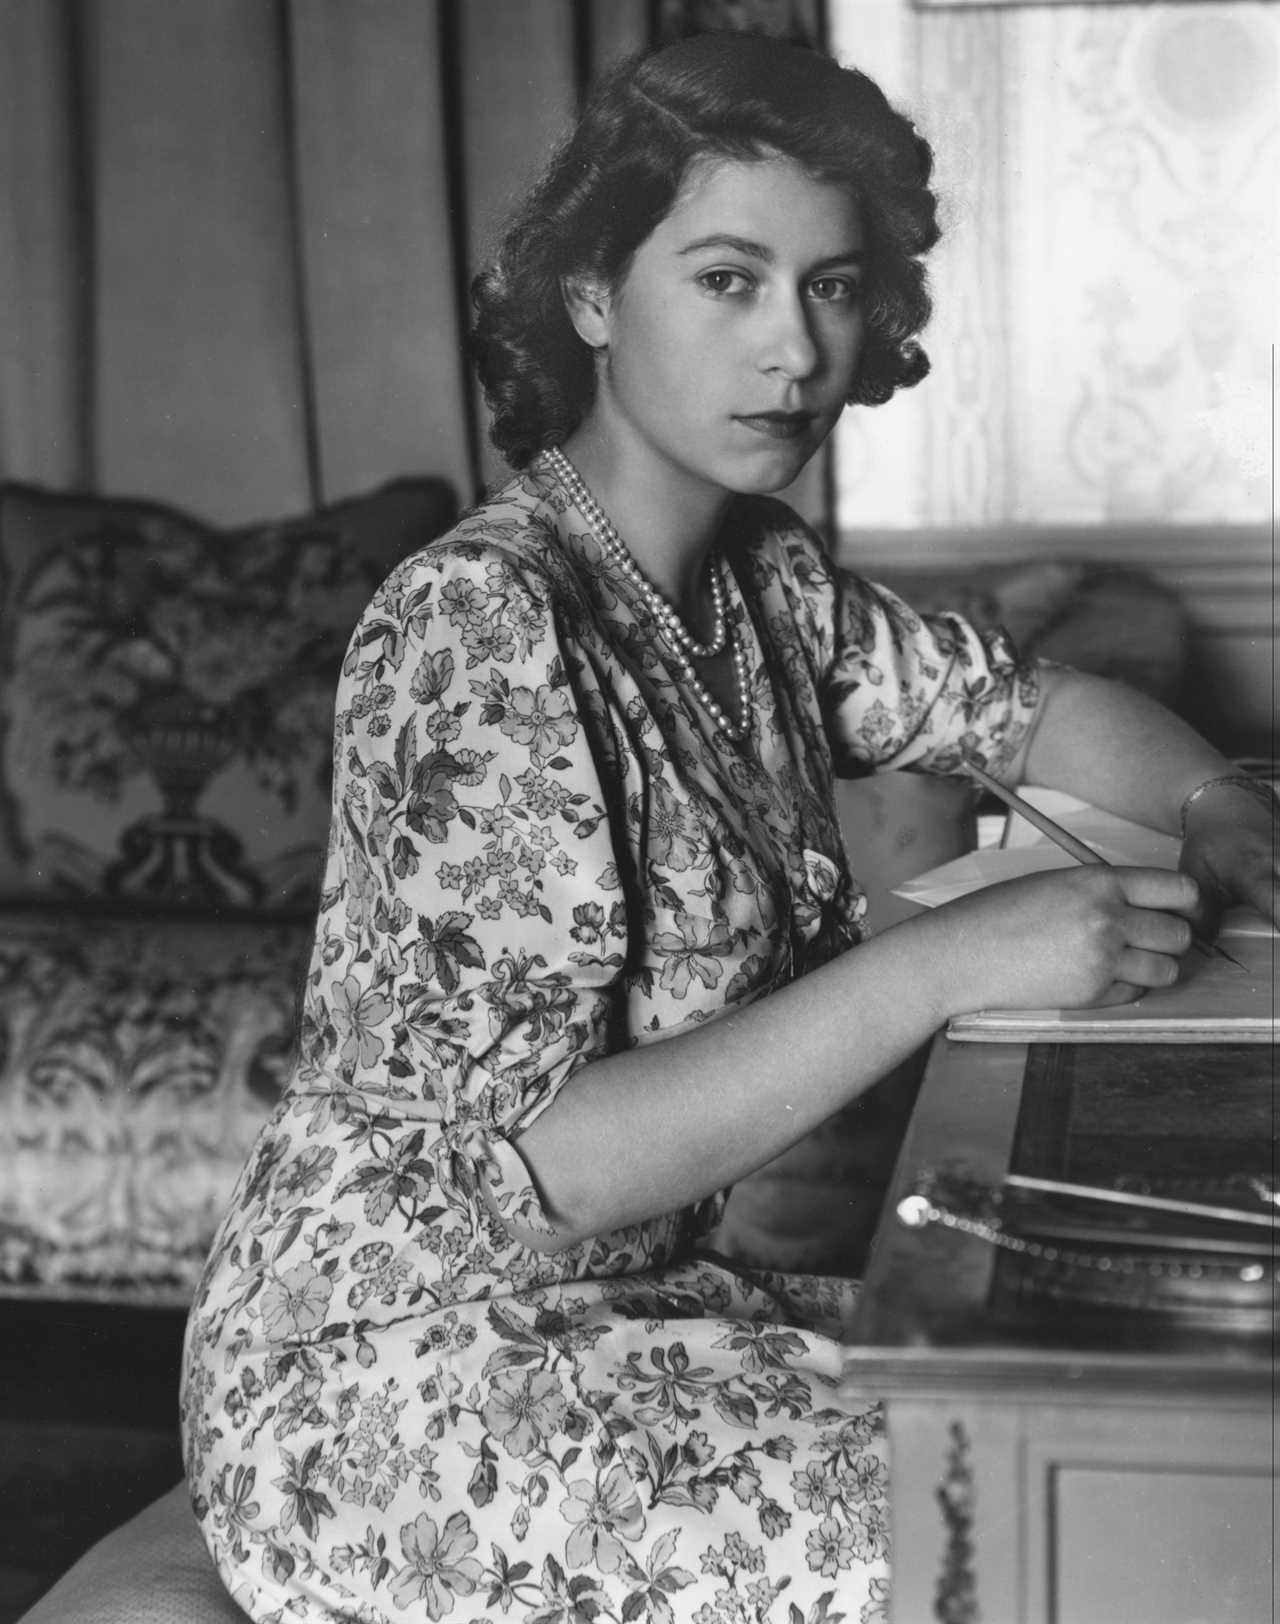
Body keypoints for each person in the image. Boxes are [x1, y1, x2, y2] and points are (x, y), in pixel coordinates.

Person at [180, 31, 1278, 1624]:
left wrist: (1216, 799)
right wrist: (952, 959)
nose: (793, 350)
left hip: (627, 1308)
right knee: (1046, 1542)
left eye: (832, 287)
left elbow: (1024, 709)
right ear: (590, 296)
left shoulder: (758, 581)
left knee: (1126, 1426)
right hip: (397, 1374)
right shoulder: (480, 621)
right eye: (727, 279)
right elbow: (547, 1161)